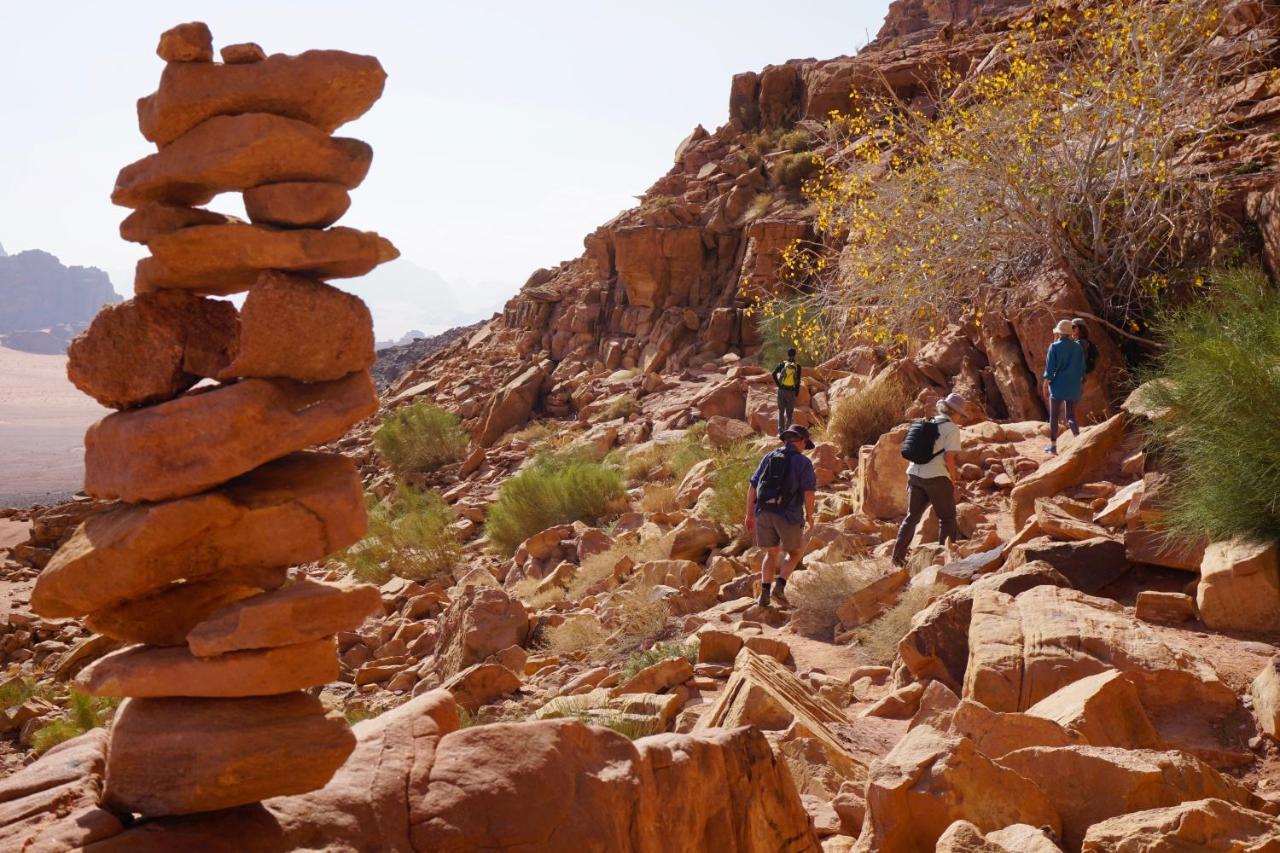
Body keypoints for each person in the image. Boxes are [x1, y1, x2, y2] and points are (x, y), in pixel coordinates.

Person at [891, 393, 970, 567]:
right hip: (936, 477)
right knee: (947, 517)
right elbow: (949, 457)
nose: (959, 418)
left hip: (914, 474)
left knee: (911, 517)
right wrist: (954, 480)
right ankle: (943, 561)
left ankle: (897, 558)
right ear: (955, 413)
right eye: (959, 414)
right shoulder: (952, 429)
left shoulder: (929, 422)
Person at [745, 424, 817, 608]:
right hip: (788, 514)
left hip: (763, 512)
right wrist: (810, 515)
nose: (804, 447)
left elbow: (753, 486)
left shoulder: (768, 457)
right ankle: (780, 586)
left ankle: (764, 594)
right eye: (805, 443)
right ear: (801, 441)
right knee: (795, 552)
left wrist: (749, 514)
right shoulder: (803, 463)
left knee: (771, 553)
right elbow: (808, 493)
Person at [1043, 319, 1086, 455]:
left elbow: (1049, 371)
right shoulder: (1078, 347)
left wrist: (1045, 385)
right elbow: (1082, 369)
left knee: (1054, 416)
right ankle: (1079, 442)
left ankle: (1053, 446)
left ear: (1059, 333)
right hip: (1073, 386)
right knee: (1071, 416)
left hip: (1058, 387)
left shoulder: (1054, 347)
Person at [772, 348, 802, 435]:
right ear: (795, 354)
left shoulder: (783, 364)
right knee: (789, 413)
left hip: (782, 390)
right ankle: (788, 432)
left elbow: (773, 374)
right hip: (791, 391)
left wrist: (779, 385)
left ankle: (780, 431)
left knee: (781, 411)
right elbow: (798, 380)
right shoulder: (798, 366)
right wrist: (796, 392)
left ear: (788, 354)